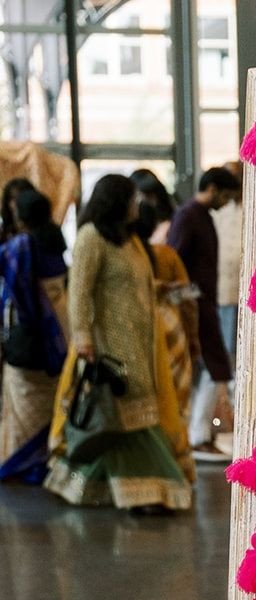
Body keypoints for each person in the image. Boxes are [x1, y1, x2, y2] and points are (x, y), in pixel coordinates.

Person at [45, 173, 192, 512]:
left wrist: (160, 290)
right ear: (116, 201)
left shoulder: (130, 241)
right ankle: (156, 489)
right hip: (108, 348)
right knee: (127, 415)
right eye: (131, 200)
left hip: (141, 347)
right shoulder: (90, 237)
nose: (136, 206)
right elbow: (79, 293)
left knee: (121, 420)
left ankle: (92, 487)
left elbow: (133, 286)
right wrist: (82, 339)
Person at [168, 165, 239, 460]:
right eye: (224, 195)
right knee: (214, 366)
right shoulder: (188, 217)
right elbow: (175, 261)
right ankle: (197, 436)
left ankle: (199, 434)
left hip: (203, 302)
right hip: (194, 305)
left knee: (212, 367)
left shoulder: (200, 216)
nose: (226, 202)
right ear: (211, 189)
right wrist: (185, 299)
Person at [0, 186, 69, 482]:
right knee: (50, 401)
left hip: (29, 336)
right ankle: (46, 459)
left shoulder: (21, 247)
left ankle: (21, 464)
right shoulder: (56, 241)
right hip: (59, 334)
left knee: (22, 405)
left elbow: (13, 285)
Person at [132, 180, 200, 458]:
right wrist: (194, 337)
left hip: (138, 330)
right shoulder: (167, 255)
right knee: (175, 397)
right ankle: (173, 456)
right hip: (171, 330)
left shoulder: (128, 257)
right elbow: (188, 299)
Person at [213, 160, 243, 366]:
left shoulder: (253, 206)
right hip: (220, 288)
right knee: (223, 349)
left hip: (243, 290)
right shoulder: (218, 209)